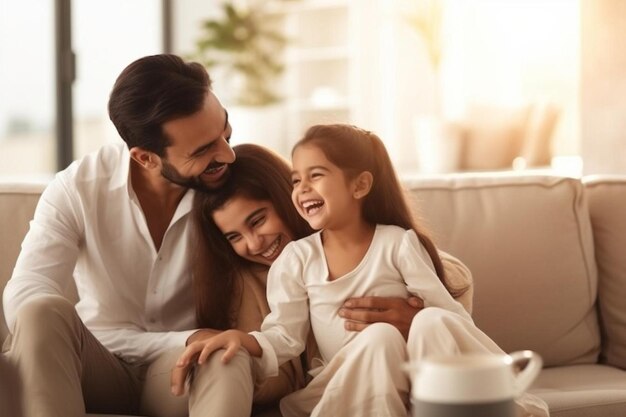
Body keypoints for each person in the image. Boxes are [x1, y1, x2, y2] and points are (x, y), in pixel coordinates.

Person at [173, 134, 550, 416]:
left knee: (429, 321)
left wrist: (416, 318)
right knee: (381, 337)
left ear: (359, 185)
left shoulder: (398, 244)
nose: (254, 243)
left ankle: (467, 400)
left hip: (418, 365)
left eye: (258, 220)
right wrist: (244, 339)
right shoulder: (289, 265)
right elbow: (281, 337)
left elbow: (449, 311)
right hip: (344, 377)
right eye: (235, 236)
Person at [2, 54, 243, 417]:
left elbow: (312, 251)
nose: (228, 154)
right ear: (146, 158)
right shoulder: (79, 187)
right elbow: (24, 298)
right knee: (39, 311)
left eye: (224, 131)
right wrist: (186, 336)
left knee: (226, 354)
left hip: (180, 372)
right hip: (96, 367)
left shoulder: (238, 185)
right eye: (203, 150)